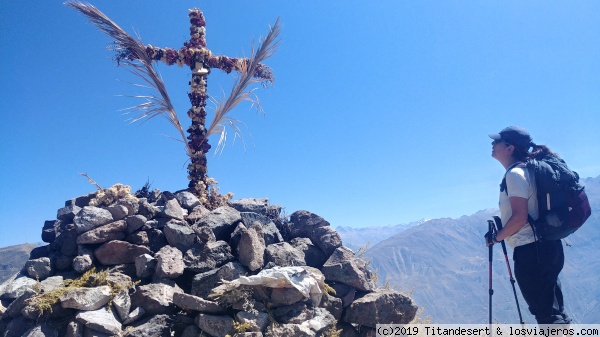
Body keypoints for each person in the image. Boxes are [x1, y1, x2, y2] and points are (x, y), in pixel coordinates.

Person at [487, 126, 571, 324]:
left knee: (547, 316)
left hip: (531, 252)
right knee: (555, 313)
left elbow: (519, 218)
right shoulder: (531, 171)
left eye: (497, 141)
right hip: (549, 246)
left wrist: (496, 237)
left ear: (510, 148)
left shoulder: (515, 175)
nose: (492, 144)